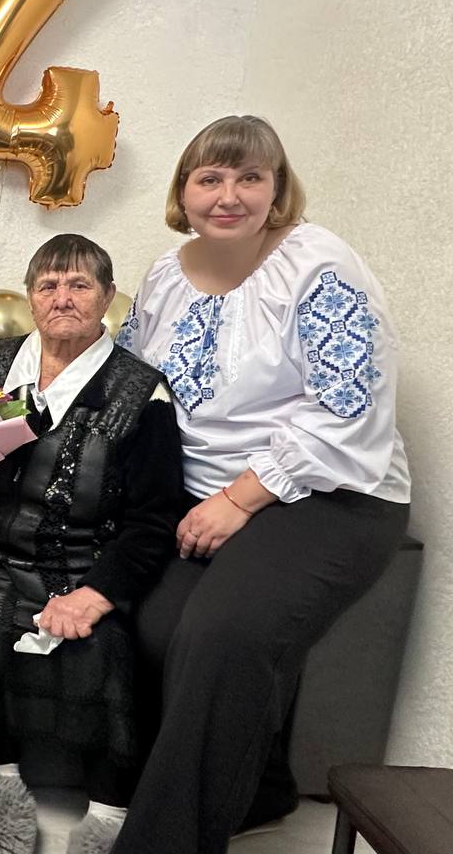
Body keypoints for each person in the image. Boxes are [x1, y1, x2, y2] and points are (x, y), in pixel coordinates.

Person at [111, 115, 410, 854]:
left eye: (250, 178)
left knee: (223, 634)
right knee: (157, 627)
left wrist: (242, 497)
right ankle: (260, 792)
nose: (229, 195)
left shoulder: (317, 266)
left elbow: (349, 407)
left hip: (330, 494)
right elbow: (135, 380)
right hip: (208, 498)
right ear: (184, 191)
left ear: (278, 189)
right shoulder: (166, 275)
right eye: (210, 178)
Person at [0, 235, 182, 854]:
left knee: (109, 650)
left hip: (87, 563)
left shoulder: (142, 392)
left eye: (79, 285)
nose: (62, 298)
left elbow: (154, 521)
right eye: (48, 285)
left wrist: (96, 596)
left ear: (107, 296)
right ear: (30, 297)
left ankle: (109, 817)